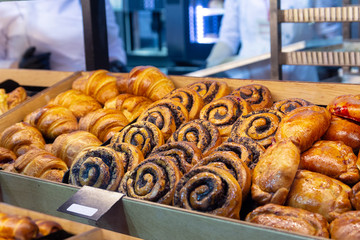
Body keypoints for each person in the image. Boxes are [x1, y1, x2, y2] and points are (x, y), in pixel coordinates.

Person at [206, 0, 342, 81]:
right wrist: (209, 67)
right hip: (248, 78)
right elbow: (228, 38)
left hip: (299, 78)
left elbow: (330, 35)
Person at [0, 0, 127, 72]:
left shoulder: (97, 3)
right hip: (34, 93)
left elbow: (112, 44)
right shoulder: (8, 6)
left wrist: (116, 62)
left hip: (91, 88)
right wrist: (18, 67)